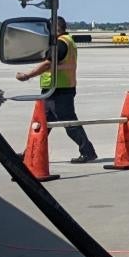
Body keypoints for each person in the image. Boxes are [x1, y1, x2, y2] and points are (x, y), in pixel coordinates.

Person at [16, 16, 98, 163]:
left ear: (55, 28)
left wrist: (28, 75)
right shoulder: (68, 40)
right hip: (55, 89)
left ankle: (88, 151)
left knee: (69, 124)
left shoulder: (60, 44)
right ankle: (29, 153)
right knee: (41, 125)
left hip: (59, 90)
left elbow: (48, 64)